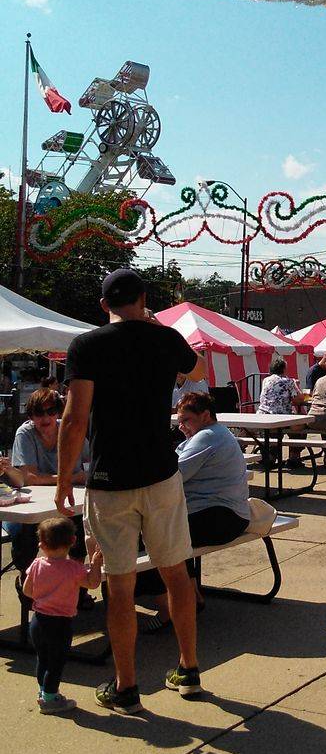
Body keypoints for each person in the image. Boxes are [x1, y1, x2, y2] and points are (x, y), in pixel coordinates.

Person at [57, 268, 206, 713]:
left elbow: (75, 418)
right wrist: (160, 327)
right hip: (162, 474)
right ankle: (189, 668)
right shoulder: (165, 340)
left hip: (110, 480)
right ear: (143, 299)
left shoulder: (87, 346)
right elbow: (198, 367)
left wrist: (65, 479)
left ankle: (126, 685)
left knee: (118, 587)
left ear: (104, 305)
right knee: (176, 573)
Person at [141, 391, 253, 632]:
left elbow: (172, 475)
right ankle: (191, 597)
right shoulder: (215, 434)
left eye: (186, 420)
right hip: (231, 515)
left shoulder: (207, 436)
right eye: (179, 421)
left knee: (152, 538)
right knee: (171, 532)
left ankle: (166, 609)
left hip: (221, 517)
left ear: (205, 415)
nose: (181, 426)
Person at [4, 390, 91, 590]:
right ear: (31, 416)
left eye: (50, 411)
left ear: (58, 412)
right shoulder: (25, 434)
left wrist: (66, 478)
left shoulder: (69, 430)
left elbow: (88, 468)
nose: (45, 418)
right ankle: (26, 581)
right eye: (38, 413)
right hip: (38, 503)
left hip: (72, 499)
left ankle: (76, 587)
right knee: (26, 533)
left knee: (85, 525)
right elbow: (29, 478)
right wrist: (68, 477)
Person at [22, 515, 103, 714]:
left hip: (38, 620)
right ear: (73, 541)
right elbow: (92, 583)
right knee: (56, 661)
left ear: (41, 543)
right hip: (60, 623)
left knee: (43, 658)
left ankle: (44, 691)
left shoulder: (37, 564)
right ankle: (50, 698)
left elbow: (27, 591)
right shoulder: (73, 569)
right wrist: (95, 564)